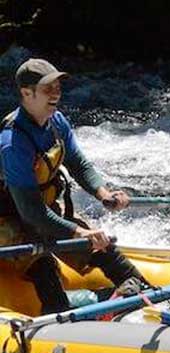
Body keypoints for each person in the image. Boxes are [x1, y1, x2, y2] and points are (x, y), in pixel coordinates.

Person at [0, 58, 147, 314]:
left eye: (58, 86)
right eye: (48, 88)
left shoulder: (56, 121)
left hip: (42, 210)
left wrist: (104, 194)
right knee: (42, 262)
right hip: (9, 218)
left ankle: (144, 294)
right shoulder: (13, 142)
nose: (56, 93)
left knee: (104, 249)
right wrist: (78, 233)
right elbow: (31, 213)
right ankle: (56, 318)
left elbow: (78, 164)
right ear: (27, 93)